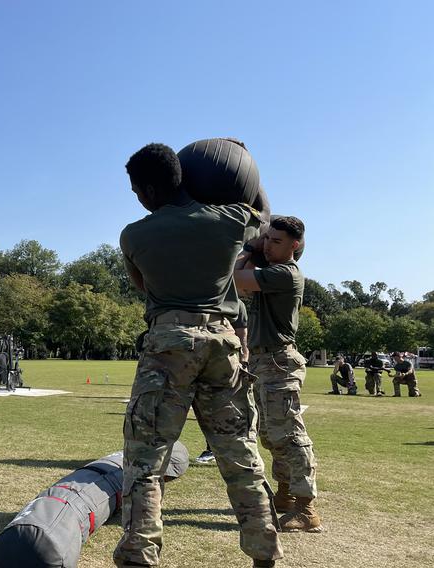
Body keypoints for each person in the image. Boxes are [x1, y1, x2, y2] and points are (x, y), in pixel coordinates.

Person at [115, 143, 281, 568]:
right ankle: (265, 552)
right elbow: (262, 210)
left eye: (136, 190)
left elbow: (143, 286)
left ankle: (139, 554)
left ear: (149, 189)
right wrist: (243, 162)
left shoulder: (135, 234)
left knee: (146, 458)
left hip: (168, 341)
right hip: (224, 343)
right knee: (240, 453)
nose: (137, 197)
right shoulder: (228, 221)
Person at [235, 215, 322, 534]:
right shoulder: (271, 271)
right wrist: (257, 249)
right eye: (267, 238)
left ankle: (306, 508)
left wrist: (249, 245)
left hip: (278, 362)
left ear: (294, 246)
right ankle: (285, 495)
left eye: (276, 241)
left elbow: (234, 277)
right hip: (263, 362)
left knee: (290, 434)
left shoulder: (286, 274)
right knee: (271, 435)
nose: (268, 245)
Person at [195, 297, 251, 465]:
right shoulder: (202, 294)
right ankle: (212, 449)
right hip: (196, 359)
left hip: (228, 361)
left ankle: (238, 453)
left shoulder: (237, 303)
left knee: (229, 410)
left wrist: (244, 358)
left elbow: (242, 333)